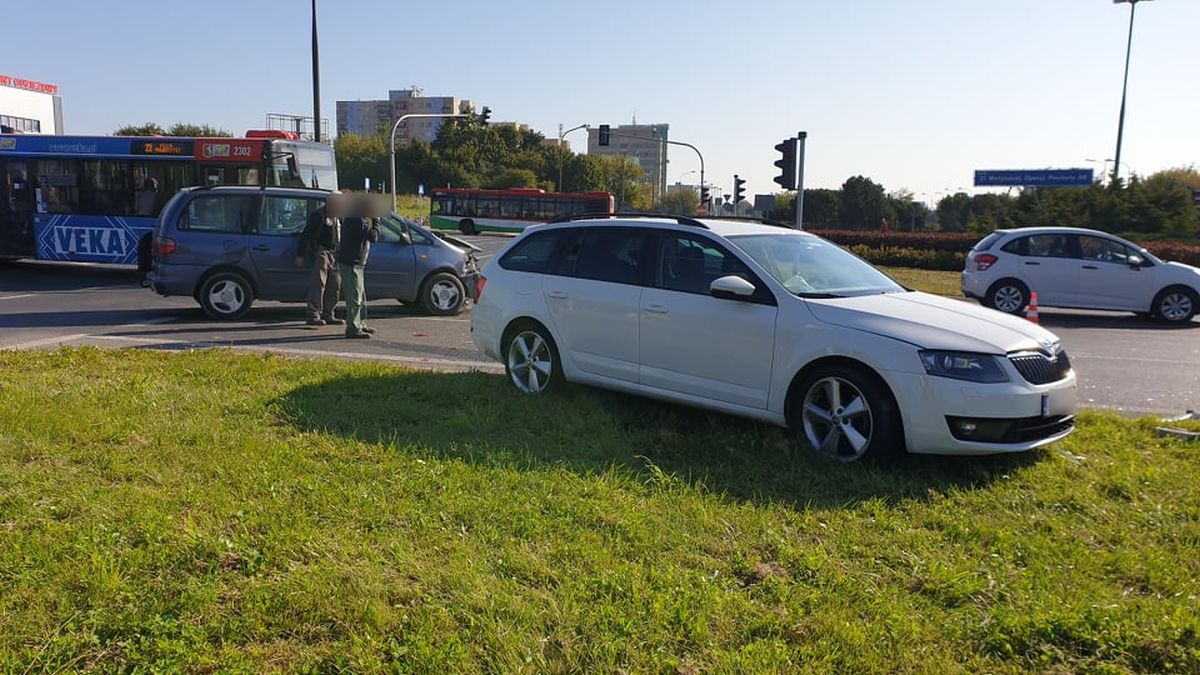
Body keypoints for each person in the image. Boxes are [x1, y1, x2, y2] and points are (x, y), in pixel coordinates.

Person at [336, 196, 381, 339]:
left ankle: (361, 323)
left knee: (361, 296)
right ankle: (353, 328)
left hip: (357, 263)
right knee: (354, 297)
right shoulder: (355, 219)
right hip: (350, 263)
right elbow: (373, 236)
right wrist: (376, 221)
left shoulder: (358, 218)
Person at [297, 195, 343, 326]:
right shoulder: (318, 215)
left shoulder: (340, 217)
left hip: (336, 253)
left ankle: (329, 314)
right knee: (318, 283)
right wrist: (300, 254)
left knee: (335, 284)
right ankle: (313, 314)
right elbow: (306, 235)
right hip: (322, 251)